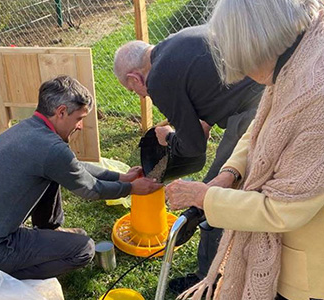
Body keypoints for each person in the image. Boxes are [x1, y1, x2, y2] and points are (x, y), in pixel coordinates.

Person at [166, 0, 324, 299]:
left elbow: (283, 210)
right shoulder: (311, 47)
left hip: (323, 258)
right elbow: (265, 125)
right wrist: (231, 173)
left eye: (244, 59)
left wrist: (203, 196)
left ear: (260, 38)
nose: (244, 71)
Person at [0, 75, 162, 280]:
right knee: (84, 249)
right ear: (61, 112)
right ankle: (7, 276)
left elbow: (74, 167)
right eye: (79, 118)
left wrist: (122, 177)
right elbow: (91, 189)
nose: (80, 126)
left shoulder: (28, 129)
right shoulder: (51, 149)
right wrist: (132, 189)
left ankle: (50, 230)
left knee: (53, 175)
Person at [113, 25, 264, 290]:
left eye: (132, 89)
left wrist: (168, 138)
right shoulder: (176, 42)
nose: (140, 94)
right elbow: (208, 84)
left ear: (135, 78)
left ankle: (208, 281)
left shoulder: (158, 78)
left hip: (253, 112)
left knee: (210, 198)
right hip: (264, 90)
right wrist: (202, 121)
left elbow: (193, 149)